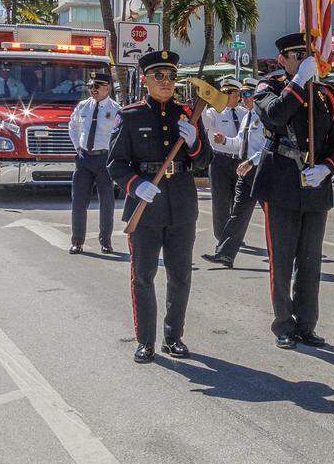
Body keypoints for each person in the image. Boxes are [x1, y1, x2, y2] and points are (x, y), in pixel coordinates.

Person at [108, 51, 208, 363]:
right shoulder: (130, 115)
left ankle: (173, 337)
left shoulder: (188, 114)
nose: (166, 82)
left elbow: (206, 163)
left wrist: (194, 143)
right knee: (144, 276)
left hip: (181, 204)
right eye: (159, 76)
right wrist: (136, 184)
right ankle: (146, 341)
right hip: (146, 206)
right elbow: (115, 163)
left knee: (180, 276)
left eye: (171, 77)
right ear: (146, 79)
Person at [252, 33, 334, 350]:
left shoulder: (326, 96)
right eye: (298, 56)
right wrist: (298, 84)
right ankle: (284, 324)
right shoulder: (269, 88)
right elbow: (275, 115)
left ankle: (307, 324)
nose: (306, 61)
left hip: (314, 186)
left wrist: (328, 168)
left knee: (310, 261)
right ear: (283, 59)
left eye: (309, 56)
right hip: (280, 182)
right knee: (281, 262)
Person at [202, 77, 264, 267]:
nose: (243, 98)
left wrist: (251, 162)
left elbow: (270, 147)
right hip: (245, 171)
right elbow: (239, 142)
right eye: (242, 94)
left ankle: (290, 253)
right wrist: (223, 142)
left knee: (275, 216)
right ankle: (225, 254)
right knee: (237, 213)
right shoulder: (248, 116)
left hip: (261, 171)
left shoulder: (266, 116)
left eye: (247, 94)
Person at [68, 71, 119, 254]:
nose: (93, 90)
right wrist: (77, 148)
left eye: (97, 86)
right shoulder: (83, 106)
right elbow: (73, 127)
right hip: (84, 158)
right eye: (90, 86)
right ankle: (77, 241)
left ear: (107, 88)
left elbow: (119, 137)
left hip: (104, 159)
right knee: (78, 202)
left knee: (107, 202)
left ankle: (106, 241)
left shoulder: (115, 109)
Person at [202, 77, 245, 246]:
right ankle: (222, 237)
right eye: (225, 93)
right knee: (221, 201)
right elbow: (204, 122)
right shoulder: (213, 112)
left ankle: (235, 236)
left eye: (232, 93)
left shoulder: (243, 113)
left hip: (240, 161)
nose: (229, 96)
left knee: (238, 202)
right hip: (220, 160)